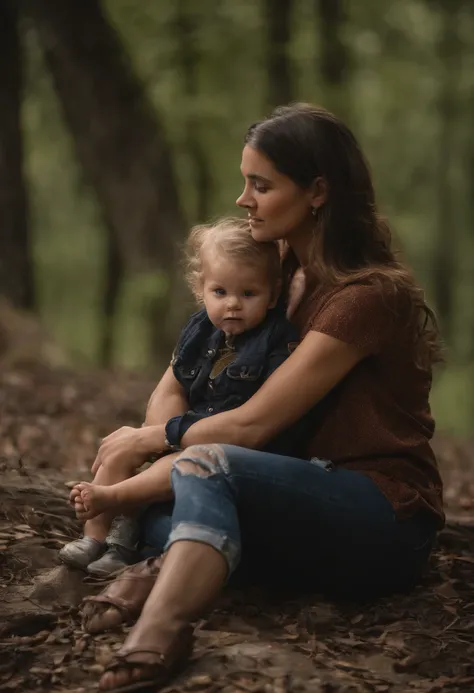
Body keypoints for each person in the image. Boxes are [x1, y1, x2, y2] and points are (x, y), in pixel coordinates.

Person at [82, 104, 445, 693]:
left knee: (202, 470)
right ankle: (174, 561)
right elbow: (177, 378)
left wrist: (155, 443)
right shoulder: (272, 275)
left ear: (317, 191)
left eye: (261, 184)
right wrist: (164, 457)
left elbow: (250, 427)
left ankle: (158, 629)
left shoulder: (365, 297)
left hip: (379, 513)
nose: (243, 199)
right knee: (164, 504)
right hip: (284, 489)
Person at [60, 217, 314, 577]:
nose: (233, 305)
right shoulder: (199, 331)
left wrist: (177, 438)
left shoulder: (276, 342)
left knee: (178, 463)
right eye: (220, 292)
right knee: (116, 454)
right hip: (184, 430)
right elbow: (178, 380)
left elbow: (259, 416)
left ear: (273, 293)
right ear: (201, 288)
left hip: (228, 447)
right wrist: (160, 433)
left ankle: (119, 532)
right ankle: (95, 539)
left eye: (248, 294)